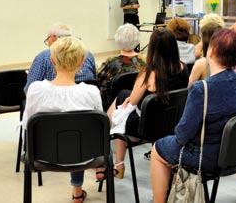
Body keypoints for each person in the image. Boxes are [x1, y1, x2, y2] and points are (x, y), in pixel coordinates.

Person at [150, 29, 236, 203]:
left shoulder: (202, 89)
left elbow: (183, 135)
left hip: (208, 159)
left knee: (158, 148)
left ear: (211, 51)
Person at [22, 37, 103, 203]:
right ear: (81, 62)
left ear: (52, 60)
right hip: (85, 156)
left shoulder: (35, 90)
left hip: (41, 156)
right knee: (78, 134)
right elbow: (97, 131)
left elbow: (26, 126)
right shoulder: (91, 92)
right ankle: (77, 189)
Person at [104, 28, 189, 178]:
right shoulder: (183, 68)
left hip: (147, 128)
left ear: (153, 48)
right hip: (173, 123)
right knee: (125, 96)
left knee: (121, 105)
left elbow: (132, 103)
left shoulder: (150, 73)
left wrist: (128, 100)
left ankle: (118, 164)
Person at [24, 23, 96, 93]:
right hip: (84, 101)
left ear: (52, 37)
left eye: (47, 41)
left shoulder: (43, 57)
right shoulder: (88, 54)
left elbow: (29, 89)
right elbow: (94, 79)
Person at [97, 24, 146, 110]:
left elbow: (98, 82)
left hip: (113, 108)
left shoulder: (111, 63)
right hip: (137, 105)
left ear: (117, 40)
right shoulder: (145, 63)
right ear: (137, 40)